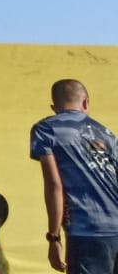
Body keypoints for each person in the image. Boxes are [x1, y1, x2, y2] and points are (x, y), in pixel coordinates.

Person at [30, 79, 118, 274]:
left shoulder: (46, 129)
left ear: (54, 107)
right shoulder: (107, 134)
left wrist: (54, 237)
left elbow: (54, 184)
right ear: (86, 102)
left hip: (87, 231)